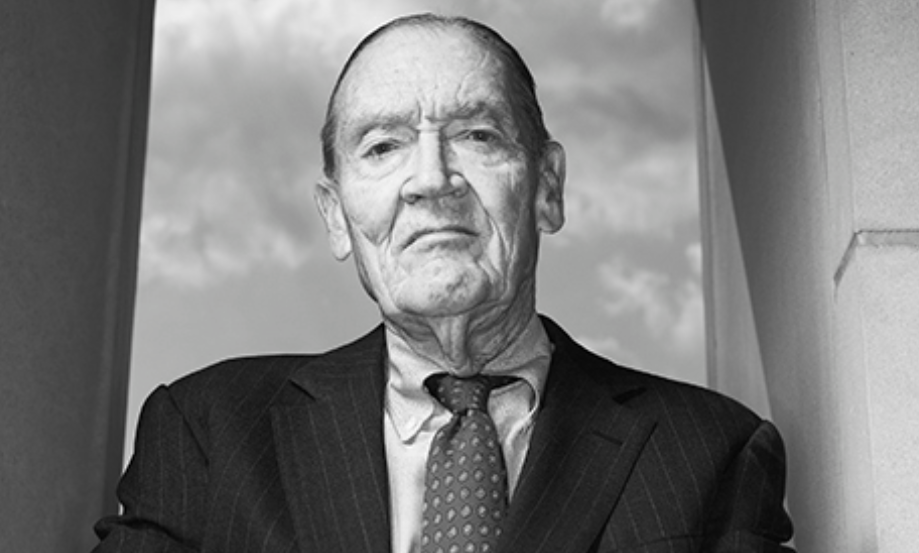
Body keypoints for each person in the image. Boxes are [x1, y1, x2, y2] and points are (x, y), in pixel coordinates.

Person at [94, 13, 795, 553]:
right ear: (336, 217)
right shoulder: (208, 433)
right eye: (383, 146)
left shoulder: (710, 452)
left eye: (477, 136)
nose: (431, 179)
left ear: (547, 187)